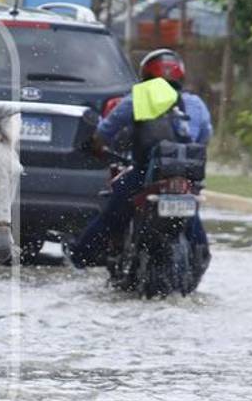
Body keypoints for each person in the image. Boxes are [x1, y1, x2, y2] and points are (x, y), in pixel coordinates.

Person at [68, 49, 213, 268]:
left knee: (112, 214)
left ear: (146, 74)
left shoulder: (139, 96)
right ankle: (201, 258)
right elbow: (204, 137)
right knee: (192, 218)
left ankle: (79, 258)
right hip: (186, 179)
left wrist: (95, 144)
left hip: (147, 175)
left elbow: (106, 130)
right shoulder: (196, 104)